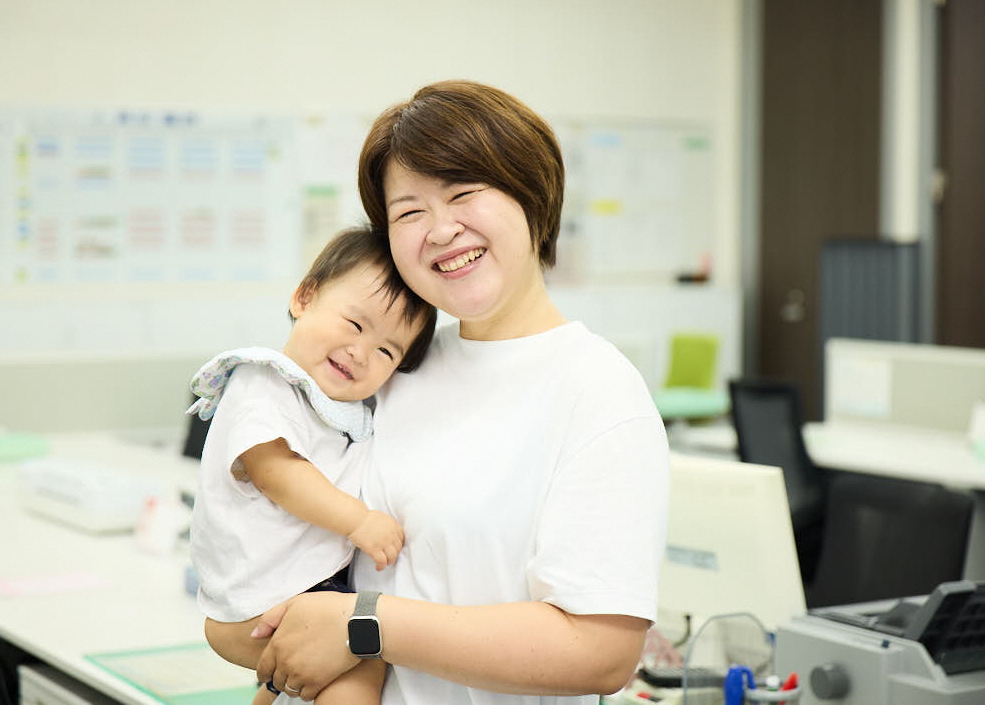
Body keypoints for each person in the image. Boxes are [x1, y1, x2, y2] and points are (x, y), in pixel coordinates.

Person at [208, 80, 670, 705]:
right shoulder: (391, 368)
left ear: (531, 195)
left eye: (463, 193)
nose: (441, 230)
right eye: (409, 212)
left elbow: (600, 654)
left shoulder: (597, 391)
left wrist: (365, 624)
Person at [187, 225, 437, 704]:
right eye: (355, 325)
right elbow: (276, 471)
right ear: (304, 298)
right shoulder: (265, 382)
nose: (360, 352)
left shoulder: (345, 411)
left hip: (303, 593)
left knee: (297, 682)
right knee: (365, 662)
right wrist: (359, 521)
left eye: (387, 350)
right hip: (257, 600)